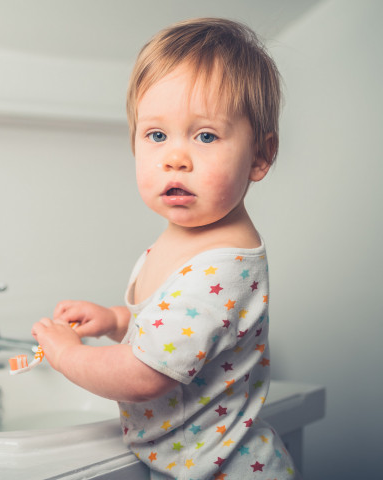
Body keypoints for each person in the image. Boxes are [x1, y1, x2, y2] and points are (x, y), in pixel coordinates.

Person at [32, 18, 299, 480]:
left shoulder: (222, 268)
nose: (175, 157)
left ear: (260, 156)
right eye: (157, 135)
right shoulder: (187, 236)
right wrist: (118, 319)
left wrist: (67, 354)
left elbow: (145, 376)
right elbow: (172, 326)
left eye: (206, 135)